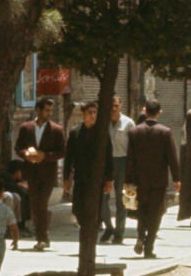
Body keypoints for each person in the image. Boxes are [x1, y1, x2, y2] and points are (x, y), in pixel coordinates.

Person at [126, 99, 181, 259]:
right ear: (159, 112)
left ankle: (140, 236)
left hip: (139, 179)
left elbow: (130, 158)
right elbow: (172, 157)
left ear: (145, 111)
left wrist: (128, 180)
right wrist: (177, 178)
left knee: (141, 210)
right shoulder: (165, 132)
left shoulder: (134, 132)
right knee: (156, 213)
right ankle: (148, 246)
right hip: (158, 180)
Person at [14, 97, 66, 251]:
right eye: (46, 110)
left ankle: (41, 237)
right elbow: (18, 147)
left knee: (41, 203)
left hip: (48, 173)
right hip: (31, 172)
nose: (49, 113)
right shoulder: (26, 128)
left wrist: (45, 156)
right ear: (38, 110)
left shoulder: (57, 130)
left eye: (51, 110)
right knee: (35, 204)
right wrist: (27, 154)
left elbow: (61, 151)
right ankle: (43, 235)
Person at [62, 101, 114, 234]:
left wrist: (109, 179)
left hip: (98, 177)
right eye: (89, 113)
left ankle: (92, 231)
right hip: (81, 176)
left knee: (95, 207)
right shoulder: (75, 133)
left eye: (94, 112)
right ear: (83, 115)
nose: (92, 115)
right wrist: (66, 178)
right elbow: (69, 157)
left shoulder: (102, 133)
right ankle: (85, 227)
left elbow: (108, 156)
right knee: (78, 208)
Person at [102, 96, 135, 244]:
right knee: (103, 198)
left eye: (116, 106)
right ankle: (109, 227)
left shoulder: (128, 123)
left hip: (124, 161)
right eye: (111, 106)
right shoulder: (103, 123)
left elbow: (134, 147)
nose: (113, 109)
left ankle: (119, 233)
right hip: (106, 163)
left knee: (124, 199)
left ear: (120, 106)